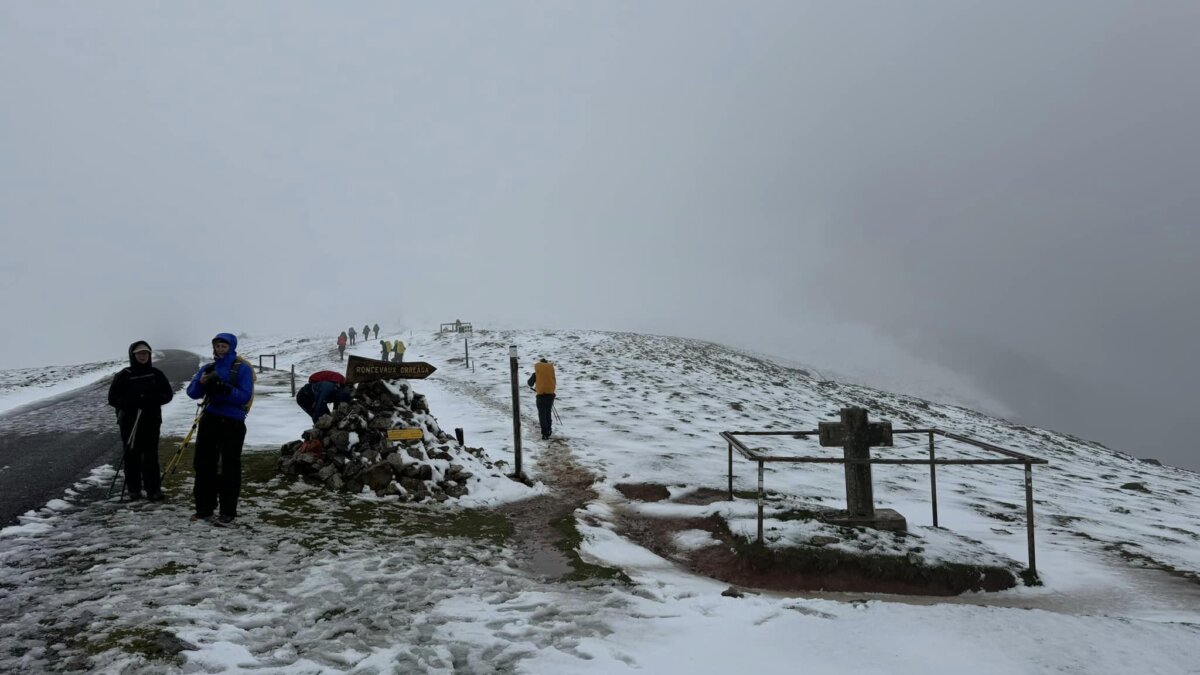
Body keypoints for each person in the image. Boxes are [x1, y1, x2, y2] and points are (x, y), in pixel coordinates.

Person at [186, 333, 254, 526]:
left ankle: (227, 512)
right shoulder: (208, 368)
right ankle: (204, 510)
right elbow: (192, 393)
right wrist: (201, 384)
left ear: (231, 347)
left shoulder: (242, 369)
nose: (220, 349)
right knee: (203, 465)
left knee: (229, 467)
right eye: (217, 346)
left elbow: (244, 396)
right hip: (210, 419)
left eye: (224, 346)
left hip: (232, 422)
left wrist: (224, 388)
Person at [106, 341, 174, 501]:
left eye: (145, 353)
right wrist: (130, 403)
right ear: (133, 355)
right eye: (139, 353)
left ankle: (153, 489)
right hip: (129, 422)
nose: (143, 356)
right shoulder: (124, 374)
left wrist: (152, 399)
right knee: (132, 455)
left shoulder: (156, 373)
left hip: (151, 420)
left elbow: (167, 394)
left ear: (149, 355)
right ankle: (134, 489)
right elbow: (112, 398)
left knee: (151, 455)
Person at [526, 357, 557, 440]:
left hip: (541, 396)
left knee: (542, 414)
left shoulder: (537, 373)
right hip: (550, 395)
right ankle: (549, 430)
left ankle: (545, 433)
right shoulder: (551, 372)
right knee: (548, 412)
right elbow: (554, 382)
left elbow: (529, 383)